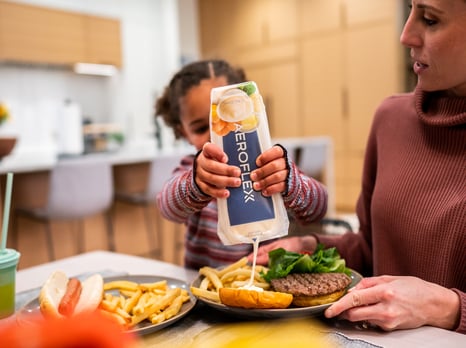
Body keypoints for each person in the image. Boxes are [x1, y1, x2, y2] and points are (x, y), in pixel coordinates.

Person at [253, 0, 466, 333]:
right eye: (410, 11)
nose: (405, 35)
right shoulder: (391, 119)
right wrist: (308, 248)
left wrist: (447, 308)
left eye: (429, 19)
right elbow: (371, 248)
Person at [155, 59, 327, 269]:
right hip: (211, 290)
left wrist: (291, 183)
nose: (216, 134)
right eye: (201, 128)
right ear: (184, 134)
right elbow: (167, 206)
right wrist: (196, 185)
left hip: (269, 287)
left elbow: (319, 207)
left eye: (229, 119)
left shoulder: (271, 163)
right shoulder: (193, 170)